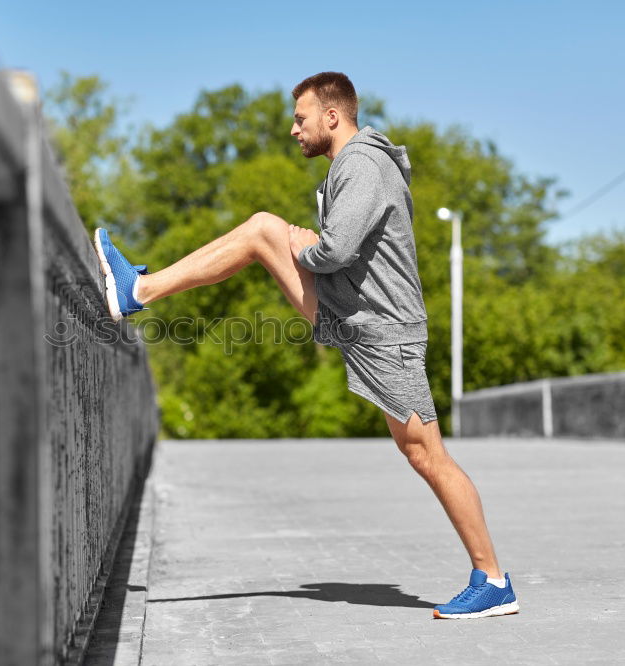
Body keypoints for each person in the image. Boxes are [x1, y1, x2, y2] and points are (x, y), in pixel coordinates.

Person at [92, 71, 518, 620]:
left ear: (332, 116)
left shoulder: (363, 162)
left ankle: (492, 579)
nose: (294, 129)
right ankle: (138, 290)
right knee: (262, 231)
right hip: (359, 317)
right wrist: (300, 242)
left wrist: (303, 246)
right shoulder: (354, 164)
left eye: (301, 118)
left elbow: (337, 249)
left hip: (385, 332)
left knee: (427, 455)